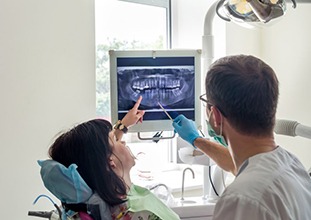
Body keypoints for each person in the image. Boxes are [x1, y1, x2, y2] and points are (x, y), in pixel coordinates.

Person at [173, 55, 311, 219]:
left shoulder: (242, 200)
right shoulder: (291, 165)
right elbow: (239, 166)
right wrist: (196, 140)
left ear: (215, 116)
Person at [46, 96, 180, 220]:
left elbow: (102, 154)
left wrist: (123, 126)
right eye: (115, 140)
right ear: (110, 162)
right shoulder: (141, 214)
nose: (123, 142)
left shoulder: (109, 204)